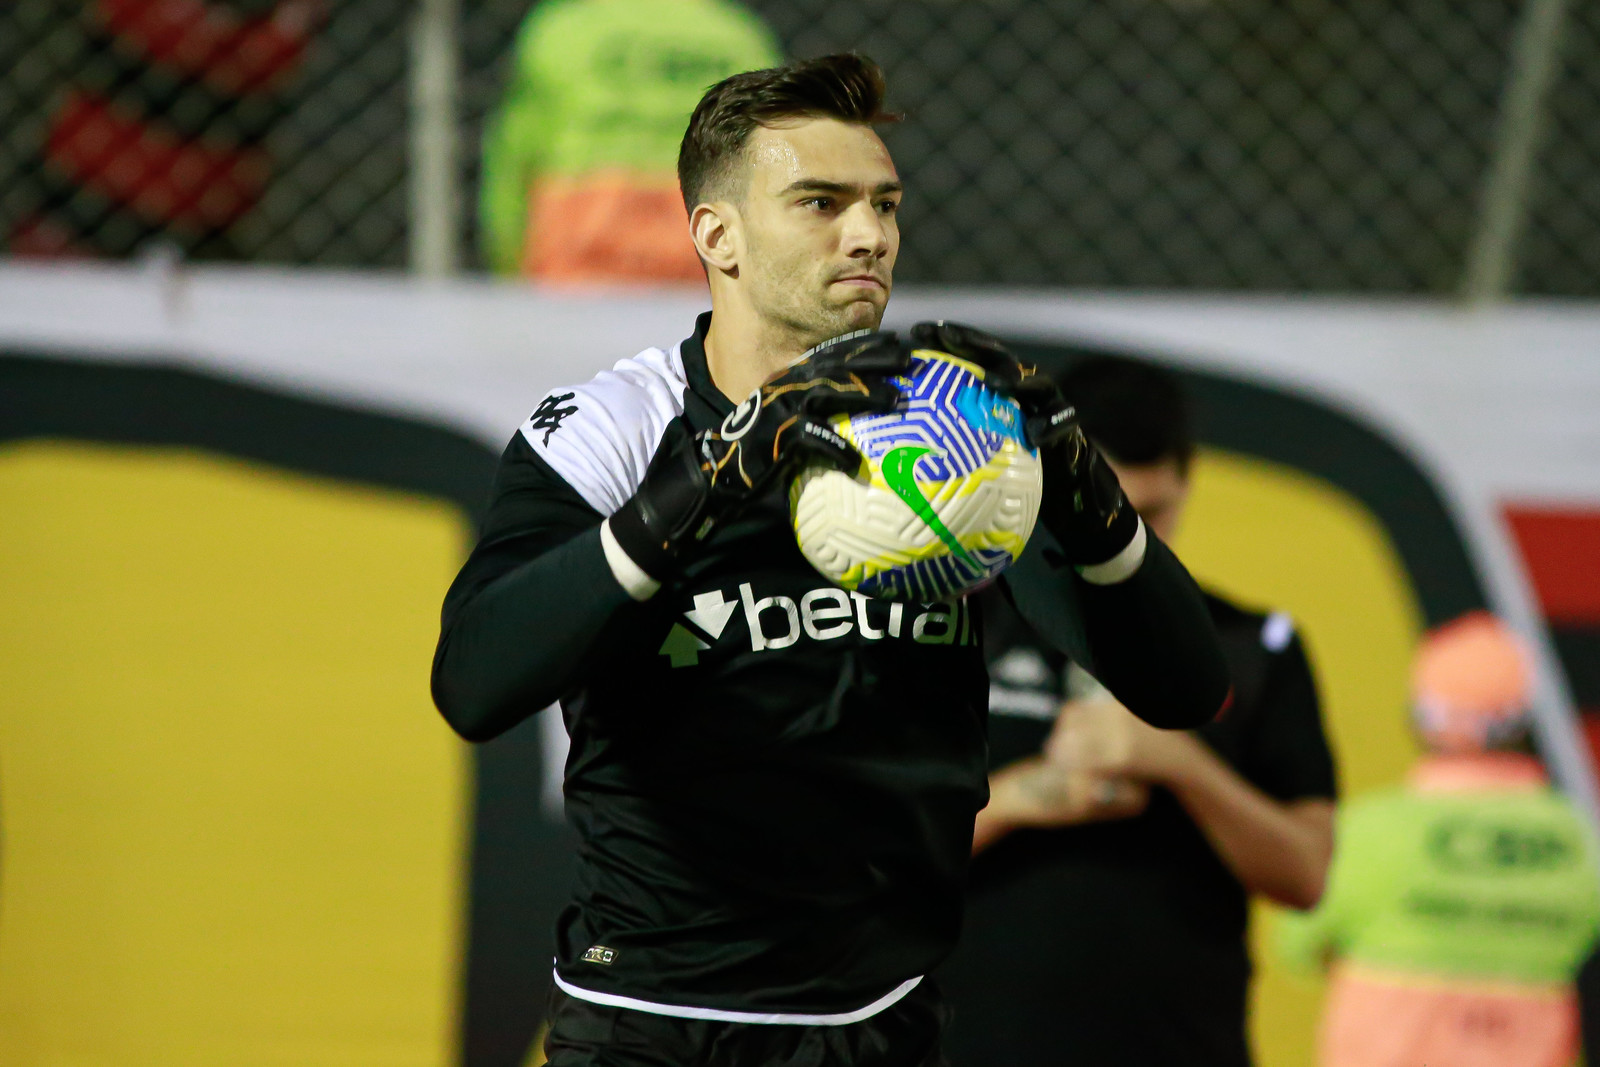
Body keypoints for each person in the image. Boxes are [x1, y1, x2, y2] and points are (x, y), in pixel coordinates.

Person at [432, 55, 1229, 1066]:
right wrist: (702, 486)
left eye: (883, 205)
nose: (870, 235)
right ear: (715, 235)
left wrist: (1089, 498)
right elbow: (474, 682)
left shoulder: (948, 435)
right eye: (821, 202)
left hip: (880, 1020)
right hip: (649, 1022)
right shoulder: (617, 427)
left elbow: (1183, 687)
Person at [939, 355, 1339, 1067]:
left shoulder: (1250, 645)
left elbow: (1306, 875)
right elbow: (860, 859)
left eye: (1151, 515)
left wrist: (1181, 762)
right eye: (1101, 512)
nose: (1124, 546)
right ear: (1044, 485)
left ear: (1186, 483)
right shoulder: (953, 626)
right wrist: (1020, 797)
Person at [1278, 612, 1600, 1067]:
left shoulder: (1368, 832)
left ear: (1421, 719)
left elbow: (1297, 947)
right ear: (1524, 721)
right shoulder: (1579, 839)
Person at [479, 0, 780, 282]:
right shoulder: (739, 37)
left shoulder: (562, 30)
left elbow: (512, 161)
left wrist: (508, 269)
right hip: (704, 259)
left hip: (579, 262)